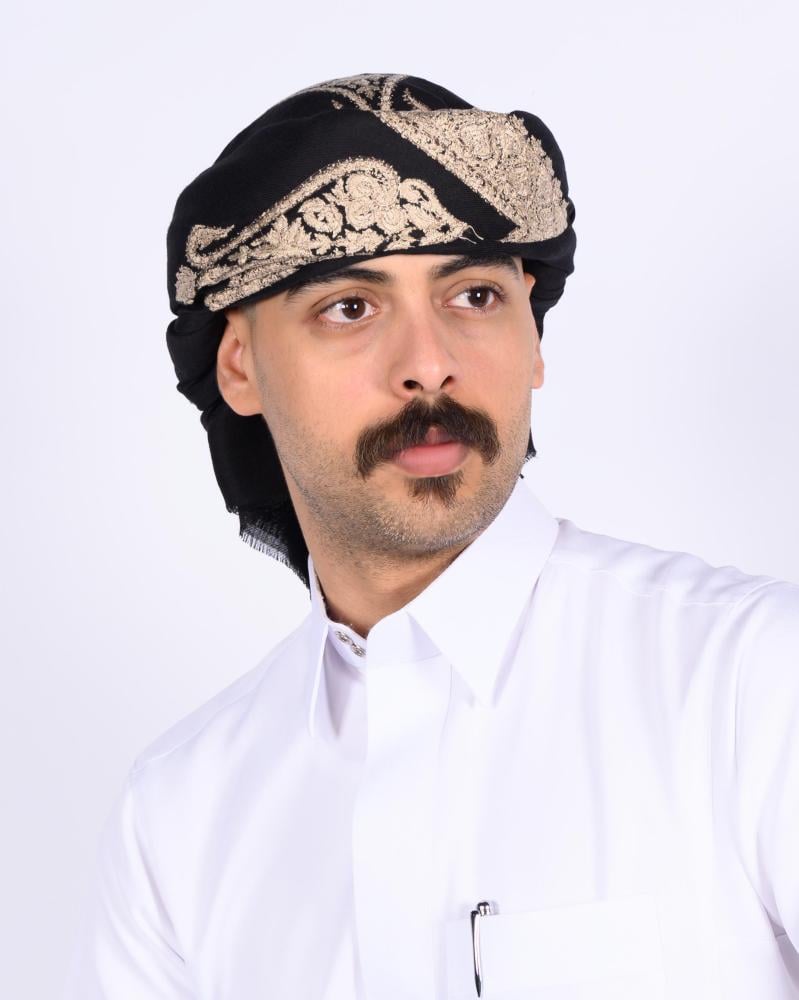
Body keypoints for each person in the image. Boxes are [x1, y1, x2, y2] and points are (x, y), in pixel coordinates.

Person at [64, 73, 799, 999]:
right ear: (239, 366)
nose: (429, 366)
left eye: (474, 296)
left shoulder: (750, 684)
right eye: (349, 307)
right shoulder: (180, 815)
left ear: (533, 334)